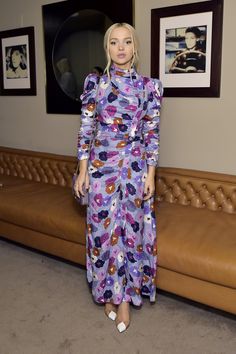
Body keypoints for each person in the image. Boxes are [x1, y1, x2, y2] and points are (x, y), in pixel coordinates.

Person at [74, 22, 163, 333]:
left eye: (127, 42)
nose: (121, 48)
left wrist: (151, 175)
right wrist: (82, 171)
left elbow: (152, 135)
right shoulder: (95, 85)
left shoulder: (148, 88)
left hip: (136, 169)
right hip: (101, 167)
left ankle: (123, 300)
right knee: (102, 234)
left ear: (134, 47)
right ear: (107, 48)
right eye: (114, 42)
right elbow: (86, 130)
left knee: (129, 233)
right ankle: (107, 293)